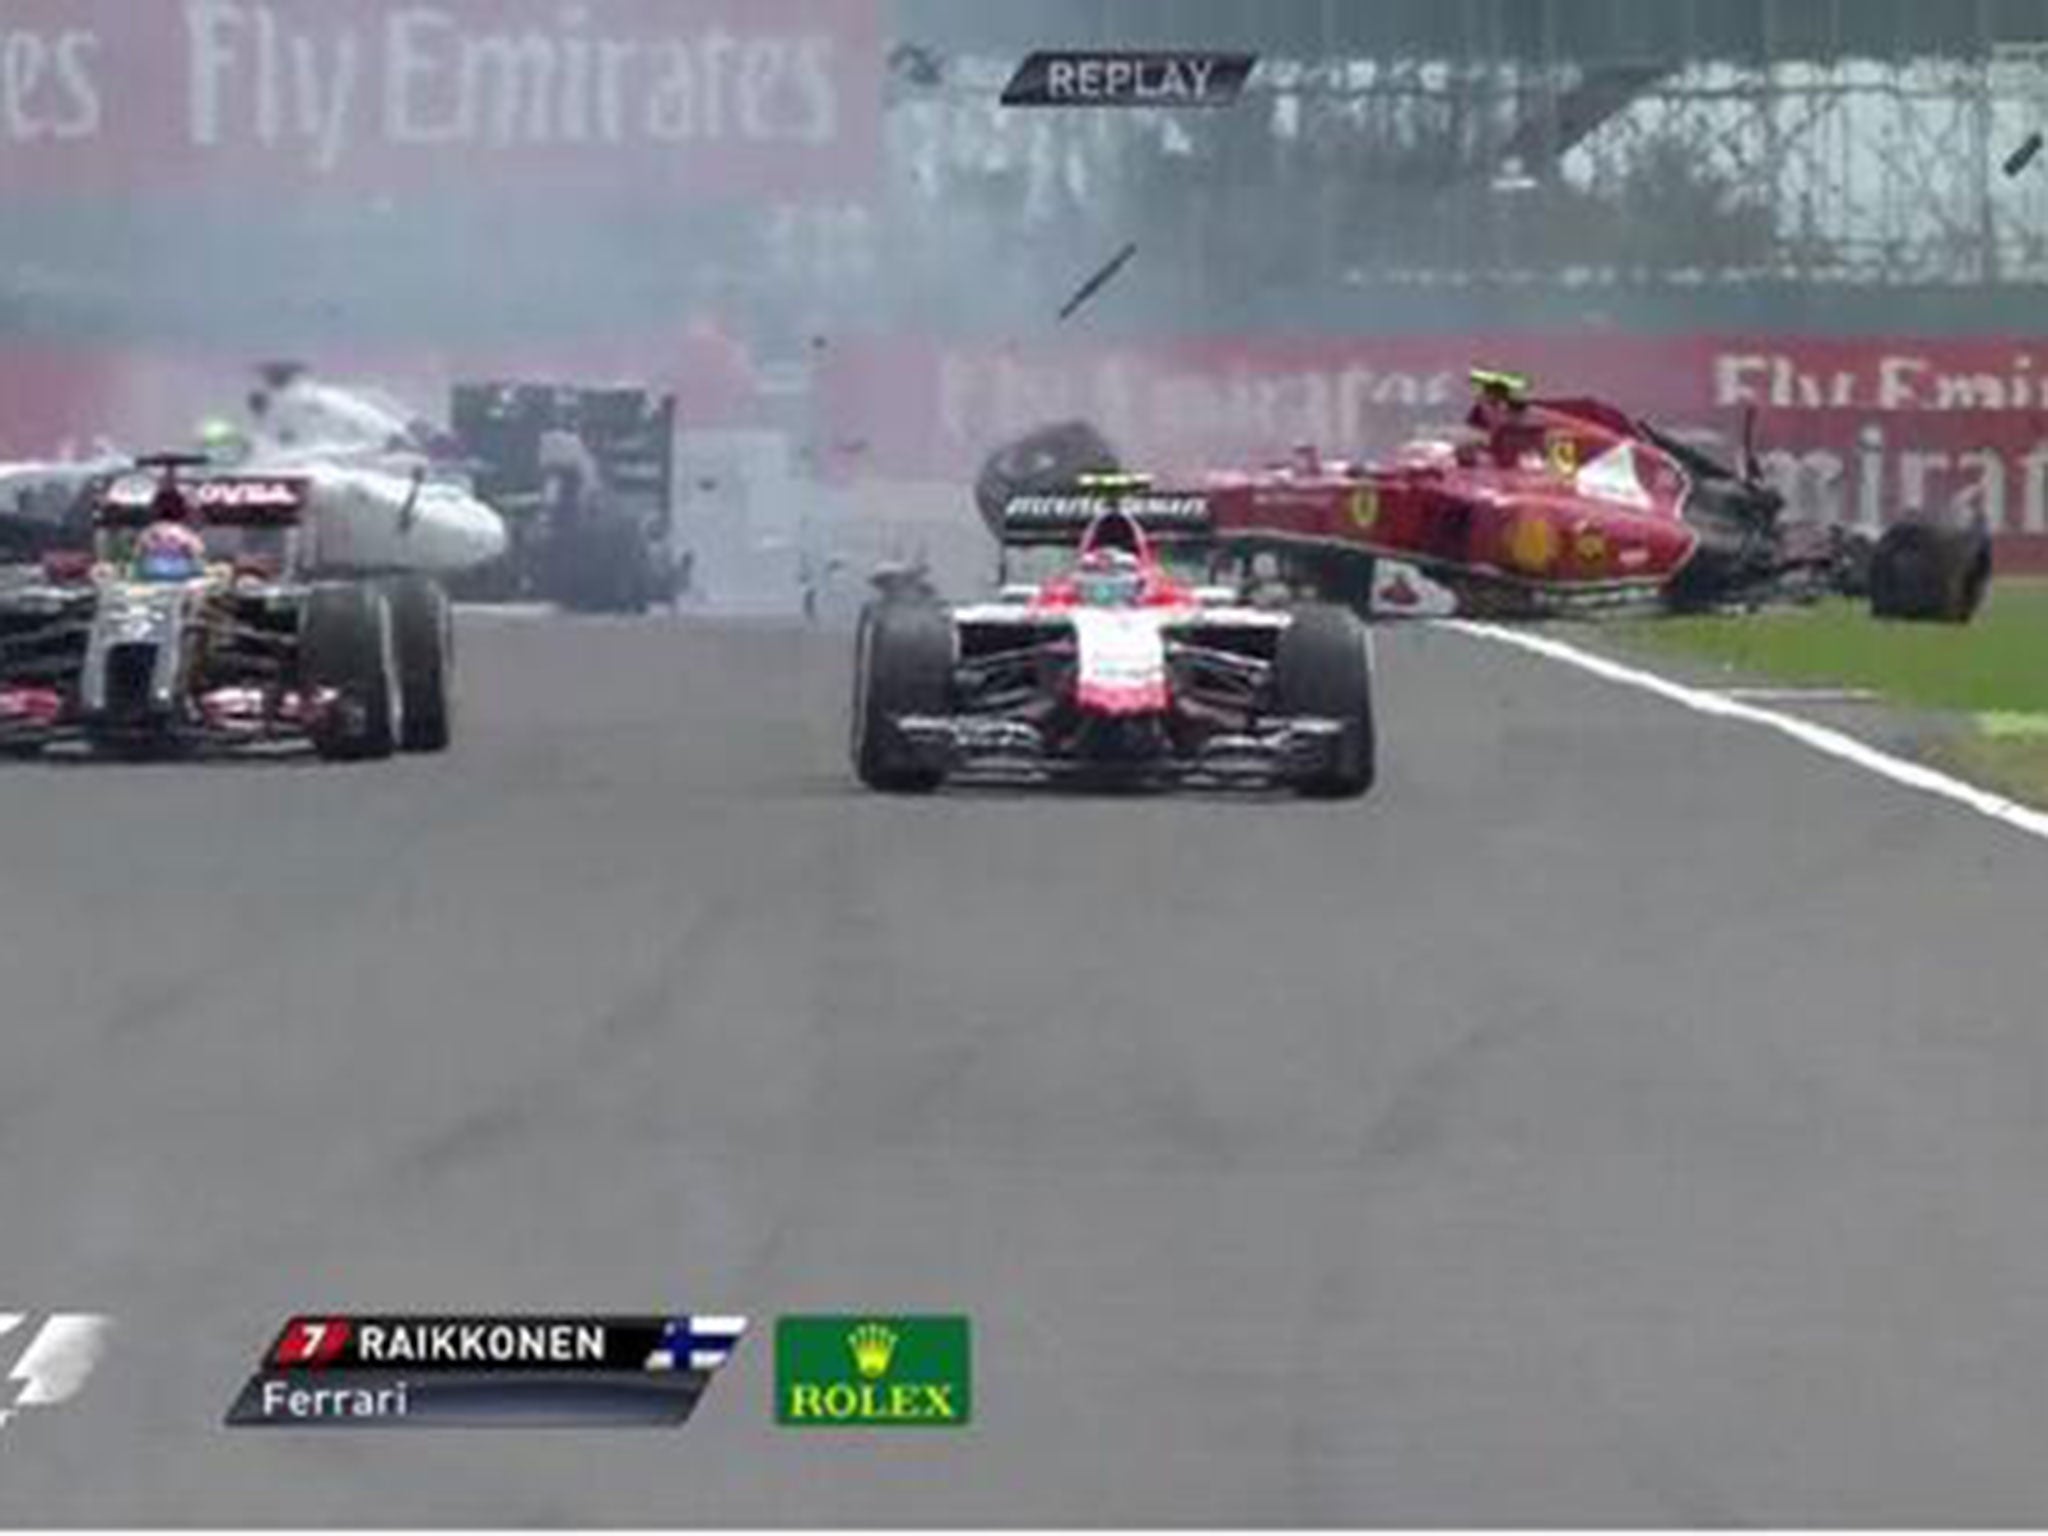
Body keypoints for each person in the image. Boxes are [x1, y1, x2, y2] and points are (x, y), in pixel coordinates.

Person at [1074, 546, 1144, 608]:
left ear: (1112, 561)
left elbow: (1136, 585)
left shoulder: (1123, 575)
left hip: (1118, 608)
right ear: (1097, 561)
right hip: (1094, 607)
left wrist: (1136, 594)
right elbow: (1080, 590)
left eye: (1107, 559)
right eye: (1101, 559)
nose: (1104, 562)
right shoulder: (1088, 576)